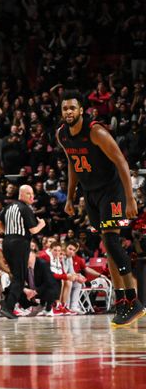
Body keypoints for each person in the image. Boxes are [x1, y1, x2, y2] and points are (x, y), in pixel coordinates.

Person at [57, 89, 143, 327]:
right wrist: (70, 197)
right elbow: (73, 164)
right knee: (108, 246)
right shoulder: (62, 135)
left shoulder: (96, 132)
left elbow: (122, 162)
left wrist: (130, 198)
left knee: (112, 241)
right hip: (90, 194)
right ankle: (121, 302)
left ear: (81, 110)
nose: (69, 112)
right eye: (65, 108)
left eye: (73, 108)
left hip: (111, 191)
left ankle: (133, 301)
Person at [0, 185, 46, 319]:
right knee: (20, 278)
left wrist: (9, 232)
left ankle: (16, 301)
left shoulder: (9, 206)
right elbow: (34, 230)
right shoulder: (25, 208)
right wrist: (42, 224)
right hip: (20, 243)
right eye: (29, 194)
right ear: (21, 194)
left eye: (32, 194)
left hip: (7, 242)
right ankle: (8, 307)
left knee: (15, 275)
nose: (32, 197)